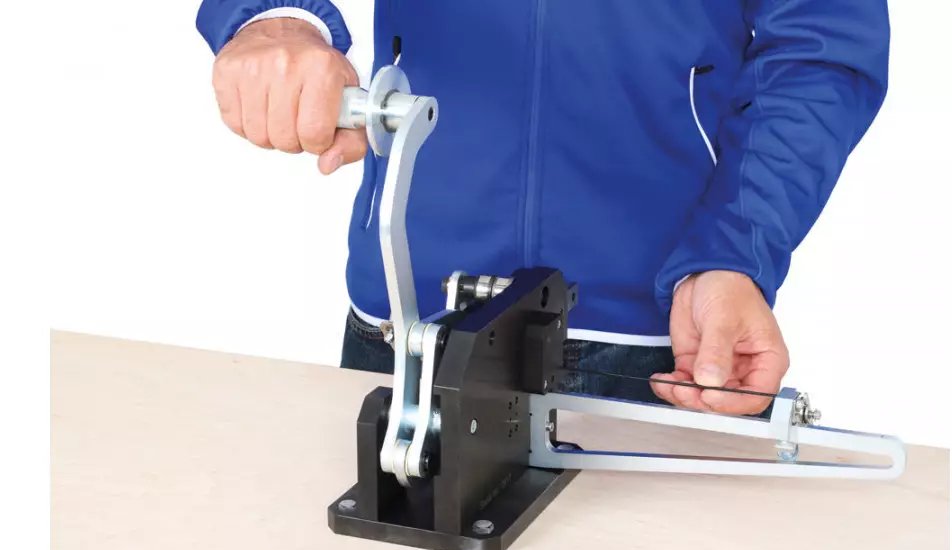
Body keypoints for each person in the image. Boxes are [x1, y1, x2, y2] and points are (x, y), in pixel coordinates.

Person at [195, 1, 890, 417]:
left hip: (661, 345)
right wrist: (270, 17)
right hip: (410, 324)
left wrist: (734, 253)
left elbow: (819, 43)